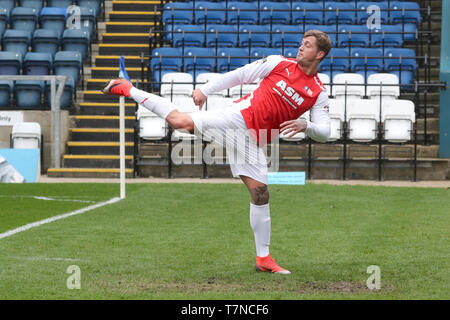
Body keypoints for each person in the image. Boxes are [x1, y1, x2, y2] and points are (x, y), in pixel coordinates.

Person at [103, 29, 332, 274]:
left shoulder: (318, 92)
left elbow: (325, 132)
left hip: (254, 141)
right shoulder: (279, 64)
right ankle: (126, 88)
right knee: (181, 123)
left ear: (320, 54)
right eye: (301, 43)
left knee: (261, 195)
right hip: (237, 119)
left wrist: (305, 125)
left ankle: (264, 259)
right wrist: (206, 90)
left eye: (307, 45)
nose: (300, 47)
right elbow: (240, 75)